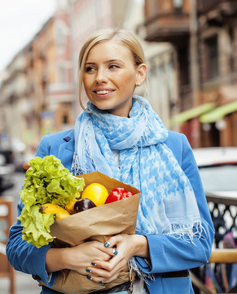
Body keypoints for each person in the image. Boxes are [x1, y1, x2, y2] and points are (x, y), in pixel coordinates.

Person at [6, 28, 214, 294]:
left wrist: (138, 245)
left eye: (113, 66)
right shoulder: (55, 149)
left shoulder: (174, 147)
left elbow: (201, 243)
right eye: (90, 69)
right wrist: (67, 257)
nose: (99, 78)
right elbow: (17, 245)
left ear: (140, 73)